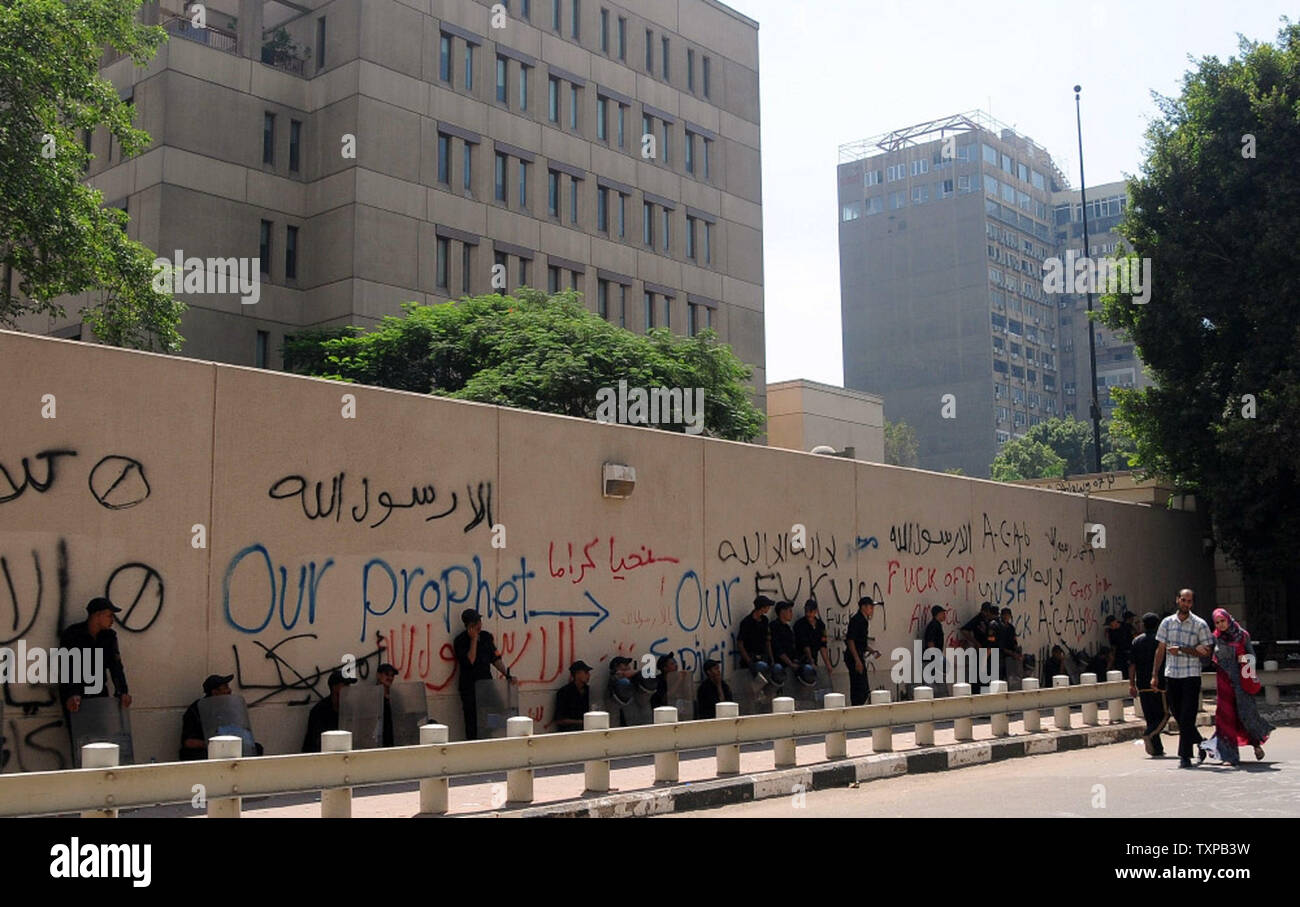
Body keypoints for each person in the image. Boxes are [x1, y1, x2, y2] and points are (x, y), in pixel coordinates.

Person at [1200, 609, 1273, 766]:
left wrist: (1244, 659)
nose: (1221, 625)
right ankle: (1229, 756)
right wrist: (1202, 652)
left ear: (1228, 619)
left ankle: (1256, 745)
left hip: (1241, 681)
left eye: (1223, 621)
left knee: (1246, 714)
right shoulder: (1215, 638)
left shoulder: (1242, 635)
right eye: (1217, 623)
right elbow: (1208, 659)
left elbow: (1252, 657)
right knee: (1226, 717)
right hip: (1224, 681)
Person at [1152, 588, 1213, 768]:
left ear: (1192, 604)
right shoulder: (1167, 623)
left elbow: (1206, 652)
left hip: (1191, 675)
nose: (1186, 604)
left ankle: (1185, 756)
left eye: (1189, 601)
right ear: (1177, 600)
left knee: (1187, 716)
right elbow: (1160, 649)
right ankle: (1201, 743)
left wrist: (1182, 649)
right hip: (1172, 674)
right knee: (1179, 716)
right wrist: (1154, 675)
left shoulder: (1200, 624)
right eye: (1183, 600)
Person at [59, 597, 131, 716]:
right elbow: (67, 668)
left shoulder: (109, 637)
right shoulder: (73, 635)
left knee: (102, 731)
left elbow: (116, 666)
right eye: (109, 616)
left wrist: (122, 691)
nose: (112, 620)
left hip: (98, 693)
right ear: (97, 615)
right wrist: (73, 693)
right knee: (81, 732)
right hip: (75, 696)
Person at [453, 609, 516, 740]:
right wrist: (474, 640)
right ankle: (473, 741)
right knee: (472, 719)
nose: (479, 625)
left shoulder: (486, 637)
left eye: (479, 621)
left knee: (498, 711)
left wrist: (507, 674)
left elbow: (495, 659)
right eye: (475, 623)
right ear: (468, 625)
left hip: (486, 685)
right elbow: (470, 660)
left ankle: (488, 733)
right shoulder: (460, 641)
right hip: (469, 687)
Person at [180, 673, 263, 760]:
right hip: (206, 750)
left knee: (257, 748)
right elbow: (189, 742)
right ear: (215, 692)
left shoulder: (227, 708)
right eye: (226, 687)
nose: (229, 690)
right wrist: (214, 745)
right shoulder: (196, 711)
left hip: (228, 745)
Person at [1129, 612, 1168, 757]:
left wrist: (1131, 684)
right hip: (1159, 683)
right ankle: (1149, 734)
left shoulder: (1136, 641)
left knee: (1150, 717)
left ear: (1144, 625)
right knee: (1164, 714)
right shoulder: (1161, 640)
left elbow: (1132, 665)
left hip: (1142, 684)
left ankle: (1157, 749)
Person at [302, 669, 357, 752]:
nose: (347, 688)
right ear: (334, 687)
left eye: (348, 685)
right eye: (345, 684)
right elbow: (315, 741)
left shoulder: (348, 709)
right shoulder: (320, 710)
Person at [845, 596, 881, 706]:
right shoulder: (857, 620)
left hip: (859, 655)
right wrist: (857, 660)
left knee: (863, 687)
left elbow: (861, 643)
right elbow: (851, 641)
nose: (872, 610)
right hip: (854, 657)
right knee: (859, 687)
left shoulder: (864, 621)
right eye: (870, 607)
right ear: (863, 607)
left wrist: (872, 651)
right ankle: (856, 708)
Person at [769, 601, 811, 684]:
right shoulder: (774, 626)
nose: (791, 614)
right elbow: (778, 649)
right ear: (782, 612)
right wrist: (790, 664)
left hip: (791, 665)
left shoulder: (788, 628)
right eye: (790, 611)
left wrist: (795, 661)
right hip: (780, 667)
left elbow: (792, 647)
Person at [736, 596, 774, 685]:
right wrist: (749, 662)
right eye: (767, 606)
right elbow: (740, 643)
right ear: (762, 607)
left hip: (763, 658)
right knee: (751, 687)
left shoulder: (765, 620)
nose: (768, 608)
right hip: (750, 659)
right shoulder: (746, 622)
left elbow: (767, 641)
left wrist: (771, 659)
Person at [794, 600, 832, 679]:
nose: (808, 614)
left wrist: (828, 664)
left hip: (814, 658)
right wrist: (811, 660)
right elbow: (805, 644)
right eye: (806, 611)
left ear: (815, 611)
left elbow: (823, 646)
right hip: (801, 659)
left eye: (810, 611)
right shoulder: (800, 624)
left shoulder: (821, 625)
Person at [553, 661, 593, 731]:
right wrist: (580, 722)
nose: (588, 676)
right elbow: (559, 720)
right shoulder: (564, 692)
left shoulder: (587, 690)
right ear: (577, 674)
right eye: (586, 673)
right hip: (569, 732)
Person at [923, 605, 948, 696]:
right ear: (938, 614)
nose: (945, 615)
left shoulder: (936, 624)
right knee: (935, 686)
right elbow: (930, 642)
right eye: (943, 613)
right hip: (931, 660)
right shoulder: (934, 625)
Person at [997, 607, 1023, 690]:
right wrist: (1012, 654)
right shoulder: (998, 626)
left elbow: (1014, 642)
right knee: (1000, 678)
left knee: (1012, 679)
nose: (1006, 617)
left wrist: (1017, 651)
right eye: (1004, 615)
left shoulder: (1011, 628)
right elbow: (1000, 646)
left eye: (1007, 615)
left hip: (1010, 658)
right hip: (1000, 656)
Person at [376, 662, 398, 747]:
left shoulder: (396, 696)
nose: (390, 678)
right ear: (378, 675)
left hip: (394, 739)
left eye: (392, 675)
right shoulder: (372, 695)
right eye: (387, 674)